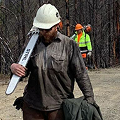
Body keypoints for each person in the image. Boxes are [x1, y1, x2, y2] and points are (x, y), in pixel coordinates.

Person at [10, 4, 95, 120]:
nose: (43, 32)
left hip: (59, 107)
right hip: (33, 106)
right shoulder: (31, 44)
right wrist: (14, 69)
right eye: (41, 29)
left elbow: (81, 74)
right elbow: (23, 71)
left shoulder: (69, 45)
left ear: (56, 26)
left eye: (47, 29)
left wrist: (90, 100)